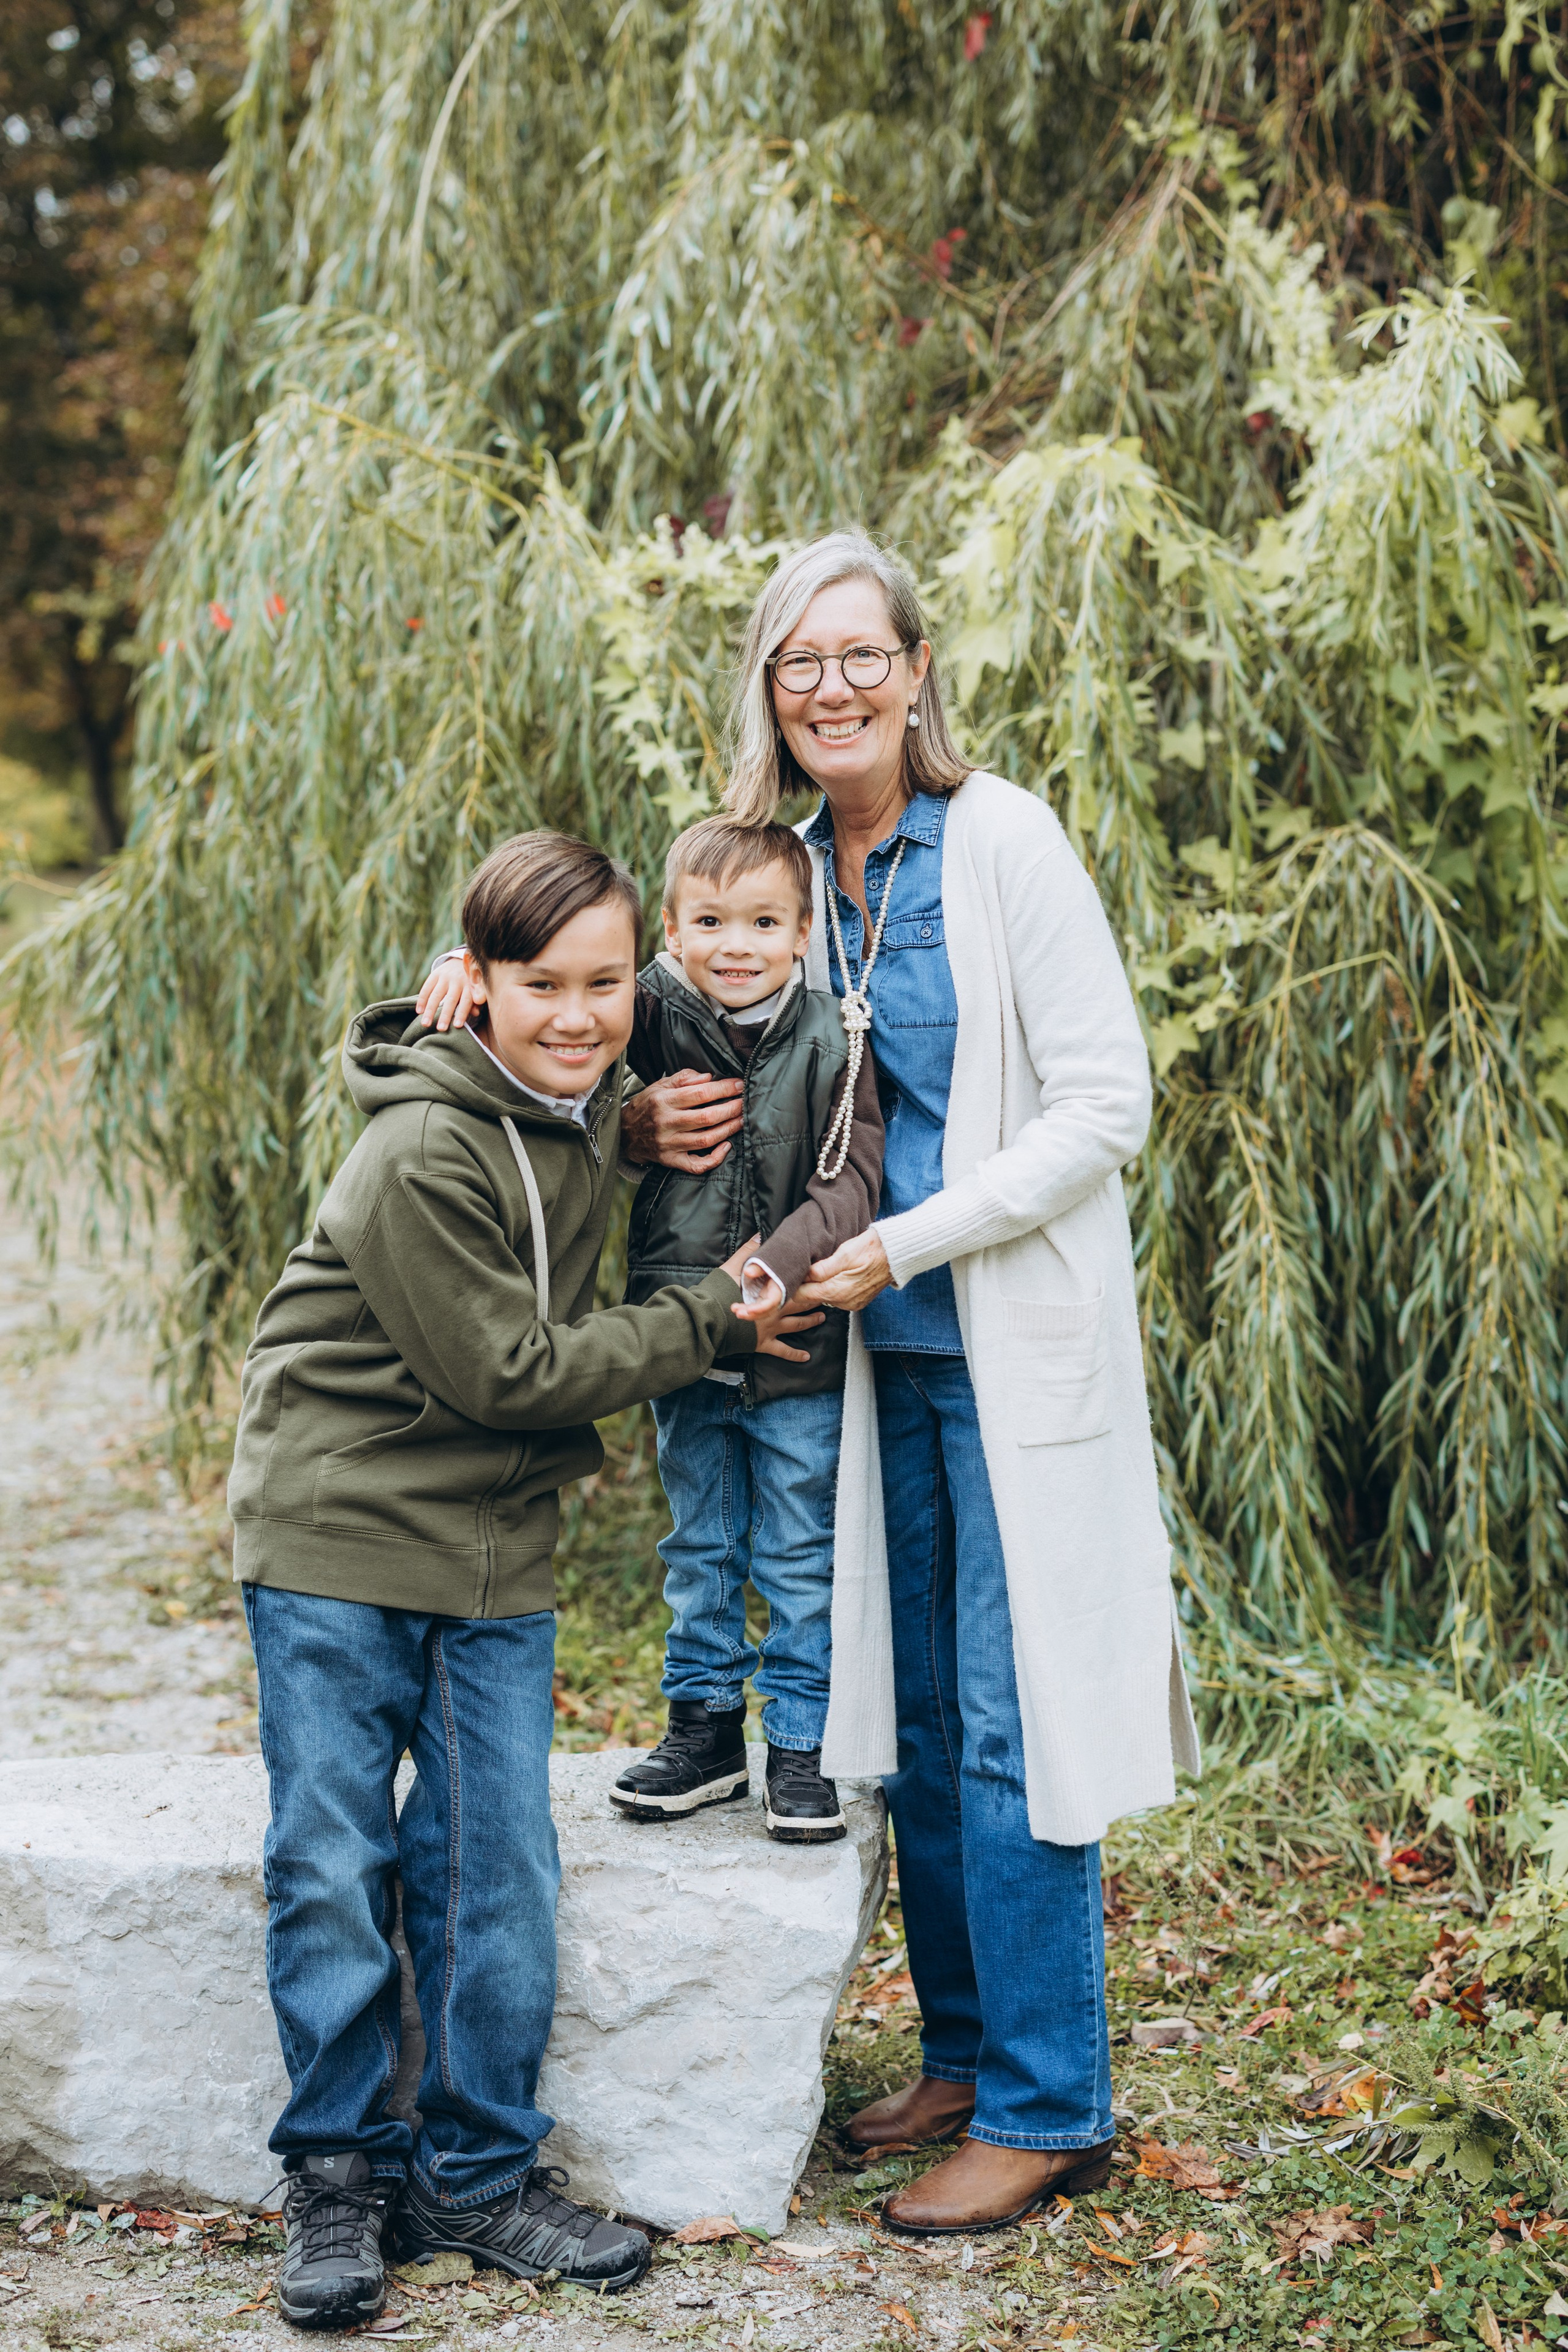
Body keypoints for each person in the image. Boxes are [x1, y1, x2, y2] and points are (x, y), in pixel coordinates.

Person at [620, 532, 1201, 2238]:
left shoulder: (1005, 841)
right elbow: (624, 1000)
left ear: (918, 670)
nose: (835, 687)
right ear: (770, 691)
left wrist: (918, 1238)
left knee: (1012, 1726)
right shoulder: (778, 872)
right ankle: (960, 2055)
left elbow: (1107, 1107)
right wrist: (587, 1080)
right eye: (801, 663)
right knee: (922, 1729)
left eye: (862, 654)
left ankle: (1049, 2102)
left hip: (1003, 1348)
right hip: (858, 1366)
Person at [229, 831, 802, 2329]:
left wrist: (627, 1122)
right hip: (341, 1531)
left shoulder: (578, 1104)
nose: (578, 1013)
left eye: (606, 983)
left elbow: (728, 937)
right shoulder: (418, 1147)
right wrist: (712, 1322)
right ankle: (339, 2176)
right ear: (470, 988)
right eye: (537, 983)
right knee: (332, 1862)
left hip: (495, 1545)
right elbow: (510, 1369)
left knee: (499, 1869)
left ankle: (475, 2176)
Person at [421, 813, 884, 1843]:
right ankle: (706, 1729)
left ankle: (800, 1746)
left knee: (801, 1550)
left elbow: (850, 1183)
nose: (737, 944)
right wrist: (456, 965)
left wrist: (772, 1270)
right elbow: (552, 978)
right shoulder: (657, 1014)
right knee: (702, 1542)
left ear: (803, 933)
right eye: (710, 920)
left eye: (765, 922)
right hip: (684, 1337)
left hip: (798, 1338)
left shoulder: (837, 1039)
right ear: (670, 934)